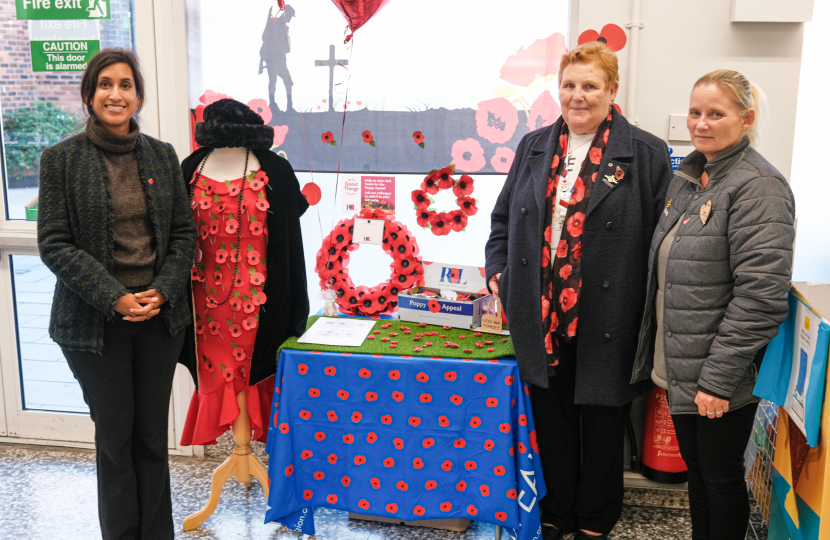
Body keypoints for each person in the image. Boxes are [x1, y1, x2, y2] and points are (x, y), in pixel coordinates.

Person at [484, 42, 672, 540]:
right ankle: (556, 512)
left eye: (590, 85)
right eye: (569, 85)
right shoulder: (535, 145)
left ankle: (595, 518)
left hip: (609, 314)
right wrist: (497, 269)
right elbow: (503, 218)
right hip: (540, 313)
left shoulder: (646, 153)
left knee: (603, 423)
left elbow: (661, 240)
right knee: (552, 419)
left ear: (612, 91)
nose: (578, 95)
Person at [37, 49, 195, 540]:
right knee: (115, 439)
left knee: (151, 437)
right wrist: (114, 297)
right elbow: (55, 243)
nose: (116, 94)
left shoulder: (162, 155)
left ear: (138, 96)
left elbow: (184, 236)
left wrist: (162, 291)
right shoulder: (61, 159)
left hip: (158, 318)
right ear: (89, 94)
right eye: (105, 84)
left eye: (126, 85)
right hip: (94, 324)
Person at [631, 69, 795, 540]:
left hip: (718, 377)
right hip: (684, 367)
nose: (700, 123)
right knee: (700, 478)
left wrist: (718, 381)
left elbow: (761, 296)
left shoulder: (759, 187)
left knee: (719, 480)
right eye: (695, 112)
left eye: (715, 114)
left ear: (746, 119)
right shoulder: (691, 176)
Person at [260, 4, 296, 113]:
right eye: (290, 15)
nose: (290, 18)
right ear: (287, 13)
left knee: (288, 81)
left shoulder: (282, 25)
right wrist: (263, 61)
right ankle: (273, 104)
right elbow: (265, 38)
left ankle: (289, 106)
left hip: (280, 58)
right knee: (273, 81)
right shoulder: (275, 24)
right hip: (273, 58)